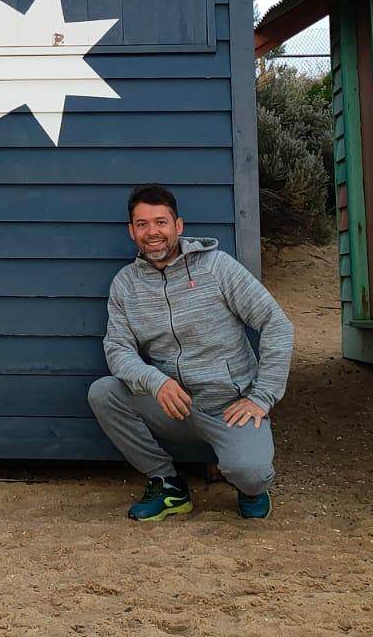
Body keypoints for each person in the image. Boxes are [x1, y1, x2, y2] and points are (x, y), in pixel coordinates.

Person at [87, 183, 293, 521]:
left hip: (230, 408)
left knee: (252, 474)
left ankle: (249, 485)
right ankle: (168, 484)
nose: (152, 232)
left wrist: (262, 396)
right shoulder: (125, 284)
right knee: (104, 393)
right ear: (131, 231)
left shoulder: (217, 267)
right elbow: (117, 349)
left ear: (178, 226)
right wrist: (155, 382)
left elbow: (277, 324)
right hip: (173, 406)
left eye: (161, 222)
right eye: (142, 224)